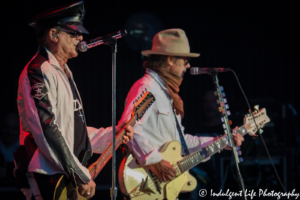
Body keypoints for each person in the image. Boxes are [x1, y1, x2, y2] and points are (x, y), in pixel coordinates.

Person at [15, 1, 133, 200]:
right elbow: (47, 129)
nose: (80, 38)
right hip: (48, 179)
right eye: (73, 33)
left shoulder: (63, 71)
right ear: (53, 35)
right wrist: (79, 174)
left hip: (63, 175)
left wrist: (112, 136)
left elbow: (71, 131)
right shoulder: (38, 70)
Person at [118, 29, 244, 187]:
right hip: (144, 183)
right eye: (185, 60)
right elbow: (129, 128)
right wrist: (155, 161)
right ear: (170, 60)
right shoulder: (147, 87)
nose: (188, 65)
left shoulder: (165, 93)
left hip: (162, 185)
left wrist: (221, 142)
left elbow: (181, 143)